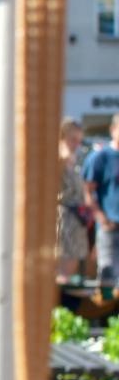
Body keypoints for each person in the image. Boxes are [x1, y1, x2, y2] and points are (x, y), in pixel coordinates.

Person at [84, 113, 119, 283]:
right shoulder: (100, 157)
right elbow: (88, 192)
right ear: (113, 130)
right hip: (110, 225)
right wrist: (103, 219)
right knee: (108, 273)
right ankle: (107, 309)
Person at [58, 118, 92, 282]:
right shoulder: (59, 159)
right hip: (64, 219)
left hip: (76, 220)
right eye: (73, 139)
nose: (77, 144)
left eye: (79, 140)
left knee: (71, 267)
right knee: (63, 268)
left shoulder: (73, 160)